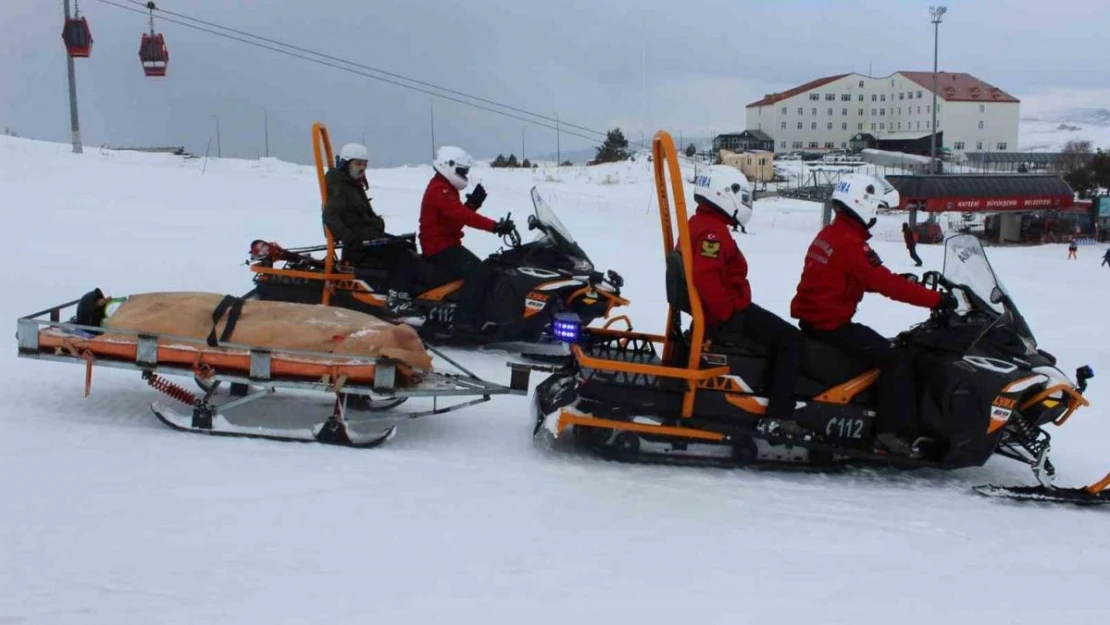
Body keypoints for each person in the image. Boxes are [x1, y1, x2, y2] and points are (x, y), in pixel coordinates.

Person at [790, 174, 956, 457]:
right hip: (831, 325)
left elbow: (849, 277)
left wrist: (896, 281)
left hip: (818, 320)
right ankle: (888, 433)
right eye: (877, 208)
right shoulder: (850, 243)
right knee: (897, 358)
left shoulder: (831, 234)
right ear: (862, 204)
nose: (876, 216)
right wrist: (937, 299)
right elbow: (885, 283)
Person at [688, 166, 803, 428]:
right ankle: (779, 414)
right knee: (791, 340)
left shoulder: (703, 224)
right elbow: (705, 278)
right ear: (724, 194)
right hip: (724, 314)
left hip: (721, 309)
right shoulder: (712, 233)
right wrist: (728, 312)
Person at [419, 146, 515, 331]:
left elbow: (454, 221)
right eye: (462, 171)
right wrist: (494, 226)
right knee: (478, 272)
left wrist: (472, 204)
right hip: (438, 247)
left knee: (488, 269)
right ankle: (463, 321)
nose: (464, 175)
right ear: (448, 166)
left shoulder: (446, 187)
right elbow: (461, 216)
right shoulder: (440, 190)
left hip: (446, 243)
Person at [322, 143, 421, 316]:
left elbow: (365, 214)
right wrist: (349, 238)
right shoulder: (340, 186)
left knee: (407, 247)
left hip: (367, 237)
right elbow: (330, 216)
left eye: (364, 164)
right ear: (347, 163)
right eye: (358, 164)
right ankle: (397, 300)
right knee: (402, 253)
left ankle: (404, 293)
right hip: (359, 245)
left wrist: (376, 223)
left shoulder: (353, 185)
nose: (362, 168)